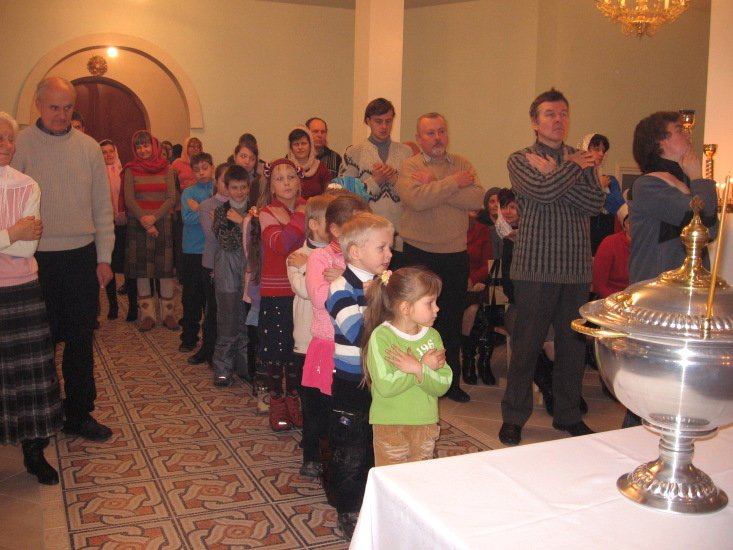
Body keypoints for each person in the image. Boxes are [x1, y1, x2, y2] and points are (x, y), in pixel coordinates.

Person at [498, 89, 605, 446]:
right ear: (535, 122)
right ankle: (514, 417)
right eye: (549, 114)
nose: (558, 120)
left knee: (572, 350)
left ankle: (568, 415)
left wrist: (557, 173)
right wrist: (570, 168)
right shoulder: (520, 158)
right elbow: (540, 193)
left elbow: (594, 203)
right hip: (535, 268)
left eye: (563, 113)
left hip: (575, 269)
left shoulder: (583, 159)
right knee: (526, 348)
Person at [12, 77, 114, 442]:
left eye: (68, 107)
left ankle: (79, 413)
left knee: (80, 339)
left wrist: (104, 258)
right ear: (38, 105)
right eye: (54, 107)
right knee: (42, 343)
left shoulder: (88, 148)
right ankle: (42, 415)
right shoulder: (21, 145)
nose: (61, 114)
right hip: (36, 260)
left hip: (81, 257)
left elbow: (103, 207)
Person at [622, 111, 718, 428]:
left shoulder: (685, 183)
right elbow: (697, 217)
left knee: (677, 381)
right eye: (679, 130)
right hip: (656, 297)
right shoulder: (648, 185)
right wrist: (700, 181)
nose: (687, 134)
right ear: (659, 142)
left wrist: (695, 184)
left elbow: (711, 229)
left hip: (686, 295)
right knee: (649, 381)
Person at [397, 112, 485, 404]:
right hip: (418, 255)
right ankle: (415, 381)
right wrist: (452, 184)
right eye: (430, 133)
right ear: (419, 137)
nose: (437, 138)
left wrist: (435, 182)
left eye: (441, 131)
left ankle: (449, 382)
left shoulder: (462, 164)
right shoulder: (410, 166)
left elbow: (476, 199)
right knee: (415, 323)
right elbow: (417, 200)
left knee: (450, 322)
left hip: (455, 255)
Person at [0, 111, 64, 484]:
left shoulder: (27, 185)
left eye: (10, 138)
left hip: (22, 288)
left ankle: (34, 451)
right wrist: (13, 232)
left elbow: (28, 249)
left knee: (30, 376)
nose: (6, 145)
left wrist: (15, 239)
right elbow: (19, 240)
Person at [326, 212, 394, 540]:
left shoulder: (384, 285)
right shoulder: (341, 288)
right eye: (382, 247)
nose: (389, 254)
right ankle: (348, 507)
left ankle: (371, 499)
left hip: (380, 380)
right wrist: (377, 301)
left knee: (375, 441)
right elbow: (358, 334)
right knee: (350, 448)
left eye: (390, 247)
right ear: (355, 252)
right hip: (351, 382)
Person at [298, 194, 368, 480]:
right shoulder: (319, 257)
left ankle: (347, 457)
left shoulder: (363, 258)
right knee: (318, 406)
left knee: (345, 408)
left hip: (354, 347)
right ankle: (312, 454)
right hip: (327, 344)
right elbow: (318, 297)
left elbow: (377, 293)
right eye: (355, 225)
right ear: (335, 229)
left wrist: (345, 277)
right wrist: (346, 280)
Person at [363, 266, 452, 466]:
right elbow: (385, 385)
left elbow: (443, 384)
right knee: (392, 478)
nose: (437, 308)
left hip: (425, 423)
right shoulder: (382, 337)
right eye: (429, 303)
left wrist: (419, 369)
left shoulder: (433, 336)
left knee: (419, 479)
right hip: (390, 425)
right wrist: (419, 369)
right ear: (405, 308)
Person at [286, 193, 335, 478]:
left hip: (333, 340)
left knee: (331, 398)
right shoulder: (296, 257)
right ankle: (311, 455)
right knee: (311, 400)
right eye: (332, 220)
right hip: (307, 341)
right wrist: (309, 265)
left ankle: (328, 447)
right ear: (315, 224)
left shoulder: (339, 256)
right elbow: (307, 290)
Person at [258, 158, 307, 430]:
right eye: (279, 178)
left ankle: (294, 398)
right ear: (271, 186)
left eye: (291, 177)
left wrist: (300, 214)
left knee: (298, 347)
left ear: (299, 181)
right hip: (277, 290)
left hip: (305, 291)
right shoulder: (267, 212)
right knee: (277, 348)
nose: (286, 182)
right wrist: (301, 215)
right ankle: (277, 399)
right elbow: (282, 244)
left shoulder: (310, 207)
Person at [339, 98, 413, 267]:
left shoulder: (406, 152)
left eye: (388, 121)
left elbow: (412, 195)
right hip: (365, 237)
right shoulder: (353, 153)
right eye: (378, 121)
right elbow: (345, 198)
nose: (384, 126)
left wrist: (394, 180)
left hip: (400, 238)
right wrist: (375, 181)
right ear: (368, 121)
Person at [122, 130, 177, 332]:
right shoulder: (130, 170)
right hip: (138, 224)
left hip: (162, 223)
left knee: (164, 270)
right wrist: (145, 219)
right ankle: (147, 315)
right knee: (142, 271)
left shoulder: (167, 168)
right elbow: (129, 199)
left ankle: (168, 314)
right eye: (138, 146)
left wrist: (154, 218)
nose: (143, 150)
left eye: (146, 145)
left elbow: (171, 198)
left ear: (153, 146)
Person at [211, 165, 251, 386]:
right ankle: (223, 367)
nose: (239, 192)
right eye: (234, 188)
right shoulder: (220, 212)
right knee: (228, 319)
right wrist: (242, 224)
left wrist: (243, 220)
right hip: (227, 271)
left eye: (243, 187)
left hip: (248, 271)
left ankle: (244, 365)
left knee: (246, 319)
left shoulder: (255, 212)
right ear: (227, 188)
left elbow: (256, 238)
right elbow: (227, 242)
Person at [190, 162, 229, 365]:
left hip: (233, 265)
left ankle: (226, 353)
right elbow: (212, 236)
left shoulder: (242, 205)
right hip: (212, 262)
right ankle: (208, 348)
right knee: (212, 308)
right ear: (217, 181)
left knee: (229, 311)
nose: (228, 185)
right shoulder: (207, 205)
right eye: (224, 180)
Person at [179, 152, 214, 353]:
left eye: (205, 168)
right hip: (192, 250)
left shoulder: (217, 190)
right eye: (197, 169)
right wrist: (207, 212)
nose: (201, 172)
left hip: (212, 249)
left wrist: (199, 209)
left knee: (211, 298)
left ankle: (211, 338)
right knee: (191, 296)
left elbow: (218, 217)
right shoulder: (188, 193)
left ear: (212, 167)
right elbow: (188, 219)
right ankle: (189, 336)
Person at [99, 139, 136, 321]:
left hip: (125, 225)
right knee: (110, 266)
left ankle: (133, 307)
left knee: (129, 266)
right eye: (104, 152)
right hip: (106, 227)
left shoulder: (124, 172)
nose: (108, 155)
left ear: (116, 152)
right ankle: (113, 306)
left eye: (110, 151)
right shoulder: (97, 174)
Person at [579, 133, 626, 255]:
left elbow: (619, 207)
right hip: (581, 239)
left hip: (605, 240)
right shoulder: (576, 180)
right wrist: (598, 186)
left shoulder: (610, 181)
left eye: (603, 151)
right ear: (585, 149)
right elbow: (580, 203)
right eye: (596, 149)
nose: (601, 154)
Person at [286, 126, 331, 199]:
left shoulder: (321, 168)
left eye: (303, 143)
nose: (300, 147)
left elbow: (329, 194)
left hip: (316, 206)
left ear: (311, 145)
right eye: (296, 144)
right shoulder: (285, 167)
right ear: (291, 148)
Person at [592, 215, 631, 298]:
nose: (635, 226)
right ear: (624, 226)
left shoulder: (650, 247)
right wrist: (617, 300)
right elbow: (599, 284)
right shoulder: (609, 243)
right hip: (612, 298)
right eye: (630, 223)